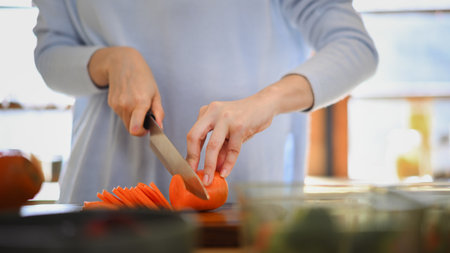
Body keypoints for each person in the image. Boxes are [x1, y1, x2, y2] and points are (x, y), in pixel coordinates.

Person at [33, 0, 378, 204]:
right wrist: (106, 61)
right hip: (104, 187)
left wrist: (268, 100)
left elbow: (354, 47)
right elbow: (51, 52)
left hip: (244, 199)